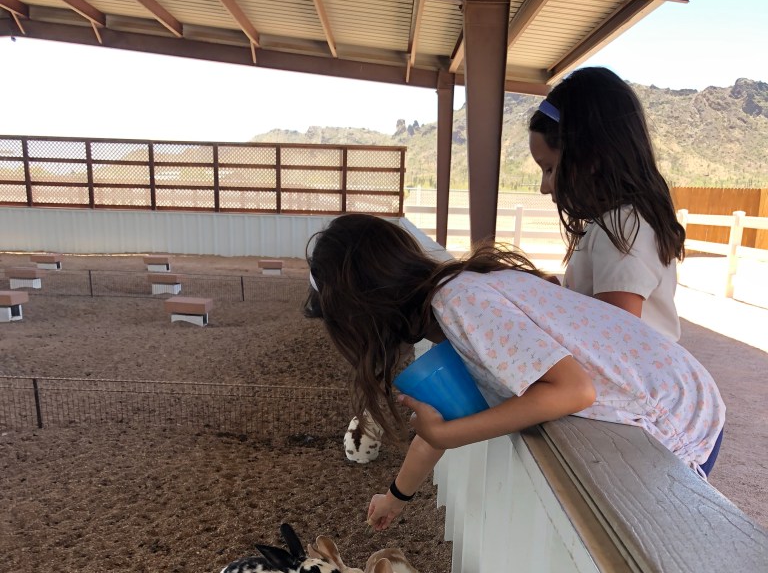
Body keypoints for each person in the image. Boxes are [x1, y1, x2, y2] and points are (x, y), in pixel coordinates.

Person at [304, 214, 725, 531]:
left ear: (362, 311)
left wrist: (451, 435)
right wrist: (396, 496)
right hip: (673, 396)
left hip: (675, 418)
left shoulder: (459, 304)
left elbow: (573, 390)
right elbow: (437, 425)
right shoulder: (451, 303)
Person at [528, 66, 685, 342]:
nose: (544, 187)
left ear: (590, 158)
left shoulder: (622, 228)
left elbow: (614, 342)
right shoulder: (615, 223)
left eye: (549, 168)